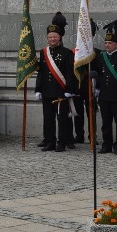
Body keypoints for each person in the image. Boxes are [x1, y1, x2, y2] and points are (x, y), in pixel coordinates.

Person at [34, 13, 77, 152]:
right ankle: (50, 142)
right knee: (48, 119)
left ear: (59, 38)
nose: (52, 39)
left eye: (55, 37)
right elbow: (41, 72)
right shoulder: (43, 52)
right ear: (47, 38)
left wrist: (69, 89)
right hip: (47, 91)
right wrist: (38, 89)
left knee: (62, 119)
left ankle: (62, 142)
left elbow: (70, 73)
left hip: (60, 91)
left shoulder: (66, 53)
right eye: (50, 37)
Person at [92, 19, 117, 155]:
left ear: (116, 44)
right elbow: (97, 73)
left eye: (110, 43)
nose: (107, 45)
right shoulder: (100, 57)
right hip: (104, 95)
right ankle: (106, 144)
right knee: (106, 123)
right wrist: (96, 88)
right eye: (106, 43)